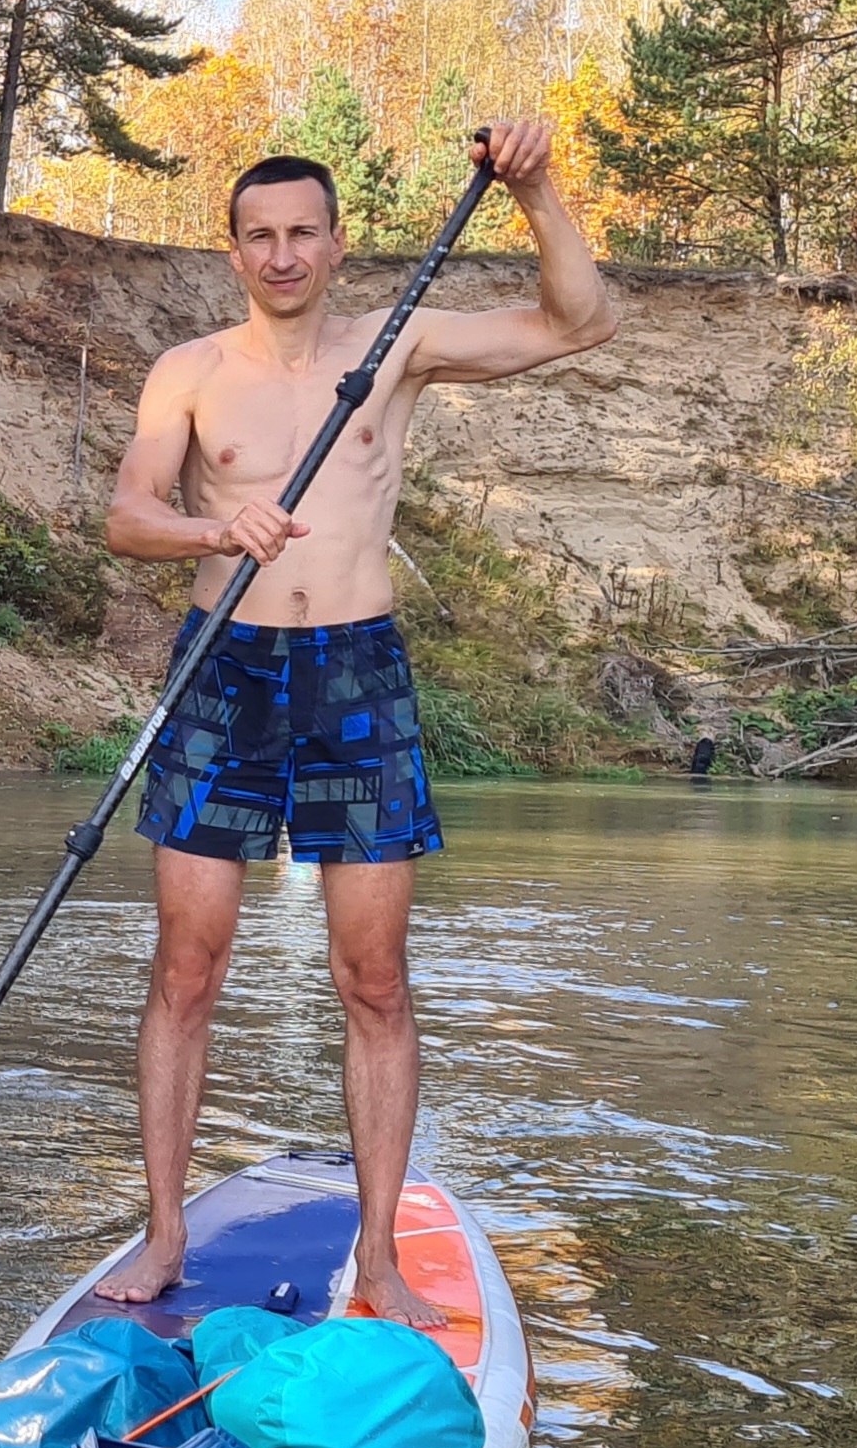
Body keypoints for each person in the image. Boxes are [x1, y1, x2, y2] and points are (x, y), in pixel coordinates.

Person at [97, 119, 618, 1322]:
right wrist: (212, 527)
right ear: (232, 251)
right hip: (221, 670)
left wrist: (534, 190)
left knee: (372, 979)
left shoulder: (397, 346)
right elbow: (127, 515)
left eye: (301, 234)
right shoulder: (188, 372)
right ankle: (164, 1236)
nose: (281, 255)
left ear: (336, 244)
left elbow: (578, 321)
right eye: (258, 236)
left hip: (356, 674)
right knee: (186, 969)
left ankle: (378, 1259)